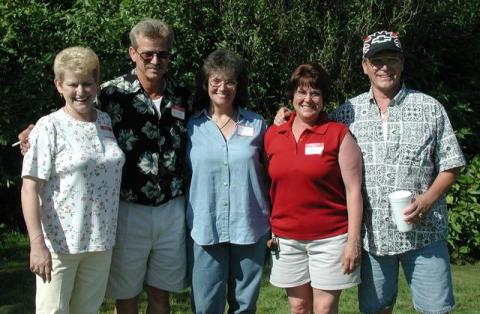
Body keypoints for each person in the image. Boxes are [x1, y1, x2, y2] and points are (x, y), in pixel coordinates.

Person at [276, 31, 466, 314]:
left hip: (425, 232)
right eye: (376, 61)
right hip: (373, 238)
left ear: (402, 62)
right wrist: (287, 115)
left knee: (436, 310)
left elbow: (451, 164)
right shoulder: (347, 112)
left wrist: (427, 200)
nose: (384, 67)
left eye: (391, 59)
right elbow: (310, 121)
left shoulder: (430, 108)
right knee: (376, 310)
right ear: (365, 66)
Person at [18, 18, 191, 314]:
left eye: (162, 54)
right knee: (125, 295)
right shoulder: (112, 94)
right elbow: (70, 114)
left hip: (162, 210)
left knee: (158, 294)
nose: (155, 60)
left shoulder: (184, 95)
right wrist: (32, 133)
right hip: (125, 211)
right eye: (147, 53)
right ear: (133, 53)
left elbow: (221, 111)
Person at [21, 46, 125, 313]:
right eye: (73, 84)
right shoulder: (48, 126)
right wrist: (37, 244)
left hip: (100, 242)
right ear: (59, 85)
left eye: (87, 84)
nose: (81, 91)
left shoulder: (105, 121)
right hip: (59, 245)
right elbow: (30, 187)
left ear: (97, 85)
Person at [265, 63, 363, 314]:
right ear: (292, 96)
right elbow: (267, 184)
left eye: (315, 93)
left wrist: (353, 242)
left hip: (330, 238)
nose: (308, 99)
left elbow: (354, 191)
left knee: (324, 308)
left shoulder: (338, 134)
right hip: (286, 239)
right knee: (298, 308)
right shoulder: (273, 133)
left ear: (323, 99)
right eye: (302, 92)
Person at [186, 48, 270, 314]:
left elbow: (272, 171)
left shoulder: (257, 125)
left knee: (244, 306)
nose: (223, 87)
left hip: (250, 226)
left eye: (230, 81)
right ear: (206, 84)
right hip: (204, 227)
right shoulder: (191, 126)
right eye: (216, 81)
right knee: (205, 305)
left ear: (238, 85)